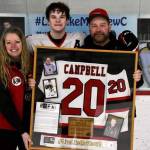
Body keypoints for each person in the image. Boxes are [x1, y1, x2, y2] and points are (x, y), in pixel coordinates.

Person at [81, 8, 143, 150]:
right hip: (89, 115)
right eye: (94, 26)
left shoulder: (123, 49)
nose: (98, 29)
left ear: (109, 26)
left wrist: (137, 76)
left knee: (112, 146)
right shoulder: (81, 52)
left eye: (102, 25)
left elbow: (137, 82)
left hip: (116, 113)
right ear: (89, 28)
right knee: (91, 147)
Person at [0, 27, 32, 150]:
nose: (13, 46)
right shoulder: (2, 68)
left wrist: (33, 88)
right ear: (4, 45)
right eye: (8, 42)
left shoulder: (29, 64)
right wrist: (22, 130)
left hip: (25, 127)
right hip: (5, 128)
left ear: (22, 43)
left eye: (17, 42)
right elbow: (4, 103)